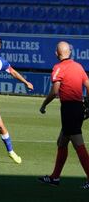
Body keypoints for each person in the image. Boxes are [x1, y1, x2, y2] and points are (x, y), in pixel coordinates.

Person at [38, 41, 89, 189]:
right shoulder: (78, 67)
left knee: (78, 143)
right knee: (62, 142)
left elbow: (55, 91)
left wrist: (43, 104)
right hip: (77, 108)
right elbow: (88, 85)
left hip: (69, 109)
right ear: (70, 52)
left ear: (56, 53)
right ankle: (55, 177)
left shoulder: (58, 67)